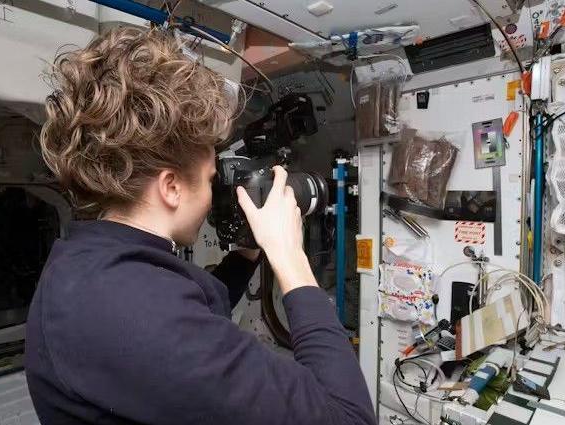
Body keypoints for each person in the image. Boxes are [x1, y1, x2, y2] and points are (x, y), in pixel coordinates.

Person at [25, 26, 375, 425]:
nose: (214, 194)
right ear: (171, 187)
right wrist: (290, 257)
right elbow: (350, 418)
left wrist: (248, 253)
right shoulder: (140, 315)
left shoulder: (88, 264)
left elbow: (192, 309)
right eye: (211, 179)